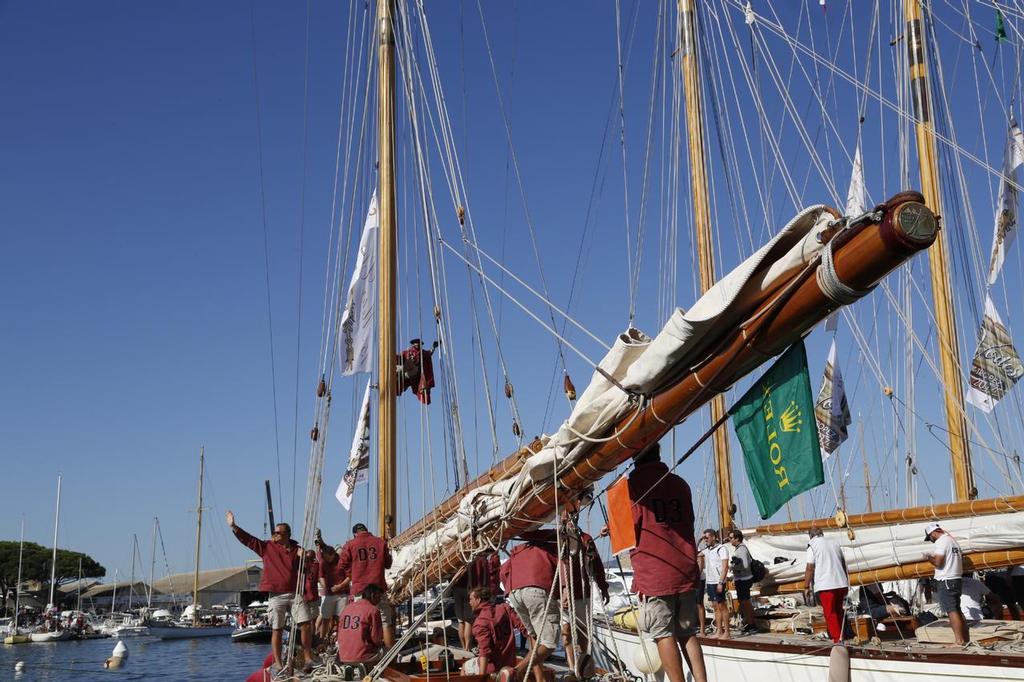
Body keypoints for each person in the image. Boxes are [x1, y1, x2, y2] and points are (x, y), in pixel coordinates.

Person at [627, 444, 707, 682]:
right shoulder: (680, 484)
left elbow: (628, 530)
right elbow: (688, 522)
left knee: (663, 634)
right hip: (684, 569)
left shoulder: (633, 488)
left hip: (656, 573)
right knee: (687, 633)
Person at [226, 510, 313, 673]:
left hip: (294, 593)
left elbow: (306, 570)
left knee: (306, 624)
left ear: (286, 534)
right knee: (277, 629)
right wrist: (234, 527)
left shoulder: (296, 549)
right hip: (276, 595)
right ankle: (279, 663)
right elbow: (249, 540)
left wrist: (305, 557)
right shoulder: (267, 547)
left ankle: (308, 658)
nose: (274, 535)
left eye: (278, 532)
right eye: (274, 532)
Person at [500, 527, 560, 682]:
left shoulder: (520, 550)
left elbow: (503, 571)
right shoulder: (555, 545)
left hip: (514, 593)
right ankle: (517, 672)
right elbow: (563, 575)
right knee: (550, 643)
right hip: (536, 589)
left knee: (534, 636)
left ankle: (540, 679)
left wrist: (511, 589)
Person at [339, 523, 394, 647]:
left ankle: (361, 652)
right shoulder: (380, 542)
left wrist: (352, 575)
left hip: (360, 589)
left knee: (360, 621)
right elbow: (388, 564)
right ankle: (391, 657)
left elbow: (342, 564)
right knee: (385, 622)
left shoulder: (350, 544)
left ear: (355, 533)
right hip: (378, 588)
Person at [803, 527, 849, 644]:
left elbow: (810, 567)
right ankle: (842, 634)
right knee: (839, 610)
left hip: (826, 584)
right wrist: (846, 580)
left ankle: (837, 639)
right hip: (841, 582)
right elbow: (843, 562)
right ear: (822, 534)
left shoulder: (812, 546)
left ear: (810, 536)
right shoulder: (834, 542)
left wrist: (806, 586)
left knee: (830, 612)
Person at [924, 522, 968, 645]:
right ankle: (965, 638)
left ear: (934, 533)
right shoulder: (953, 541)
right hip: (956, 579)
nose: (931, 540)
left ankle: (959, 641)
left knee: (951, 610)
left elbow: (938, 562)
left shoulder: (942, 542)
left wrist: (928, 557)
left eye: (930, 537)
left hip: (946, 580)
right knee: (957, 610)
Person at [462, 587, 516, 680]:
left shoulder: (480, 623)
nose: (469, 603)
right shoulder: (505, 608)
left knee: (464, 667)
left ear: (478, 600)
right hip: (509, 663)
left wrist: (482, 677)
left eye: (471, 599)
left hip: (492, 667)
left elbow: (484, 652)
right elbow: (525, 629)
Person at [452, 550, 501, 650]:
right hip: (469, 590)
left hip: (456, 589)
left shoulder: (457, 556)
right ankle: (467, 648)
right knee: (468, 621)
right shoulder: (478, 558)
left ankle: (463, 647)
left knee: (461, 622)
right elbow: (482, 577)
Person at [315, 530, 350, 641]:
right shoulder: (323, 562)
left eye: (328, 557)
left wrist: (340, 586)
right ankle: (322, 640)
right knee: (325, 618)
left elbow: (349, 576)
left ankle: (341, 640)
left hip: (342, 594)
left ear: (333, 554)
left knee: (341, 619)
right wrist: (324, 586)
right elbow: (321, 576)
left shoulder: (341, 561)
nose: (326, 560)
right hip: (329, 594)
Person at [337, 585, 384, 665]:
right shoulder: (373, 610)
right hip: (362, 657)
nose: (380, 600)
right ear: (373, 595)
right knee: (388, 652)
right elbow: (376, 638)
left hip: (343, 656)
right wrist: (382, 644)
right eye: (379, 597)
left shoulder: (347, 608)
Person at [700, 529, 730, 639]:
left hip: (719, 581)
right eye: (704, 538)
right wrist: (700, 540)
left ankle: (727, 632)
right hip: (710, 582)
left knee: (722, 606)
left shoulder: (721, 549)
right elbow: (696, 553)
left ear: (713, 537)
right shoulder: (707, 550)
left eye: (707, 538)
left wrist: (721, 582)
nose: (705, 540)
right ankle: (719, 631)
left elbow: (725, 566)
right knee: (715, 607)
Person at [727, 529, 756, 634]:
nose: (729, 540)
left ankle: (752, 624)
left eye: (731, 538)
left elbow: (745, 565)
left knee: (745, 602)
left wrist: (732, 568)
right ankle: (748, 622)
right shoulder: (739, 549)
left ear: (737, 538)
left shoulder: (741, 549)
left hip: (744, 579)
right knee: (743, 602)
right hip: (740, 579)